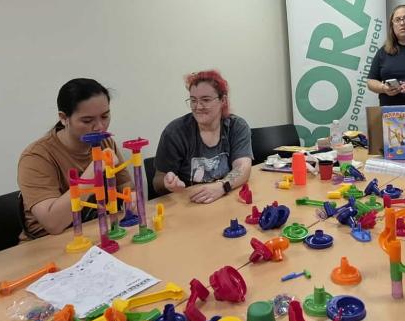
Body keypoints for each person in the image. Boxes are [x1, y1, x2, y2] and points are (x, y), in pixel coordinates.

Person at [17, 78, 131, 239]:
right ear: (64, 118)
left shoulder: (105, 142)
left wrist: (131, 199)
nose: (100, 127)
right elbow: (53, 224)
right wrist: (93, 173)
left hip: (95, 232)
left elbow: (126, 186)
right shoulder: (36, 157)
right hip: (47, 242)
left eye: (105, 116)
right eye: (87, 120)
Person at [153, 70, 252, 204]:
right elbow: (157, 181)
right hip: (188, 204)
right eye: (193, 100)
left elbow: (243, 167)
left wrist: (222, 187)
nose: (198, 107)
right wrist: (167, 182)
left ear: (223, 100)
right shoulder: (174, 132)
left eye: (205, 100)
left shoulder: (236, 126)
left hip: (225, 200)